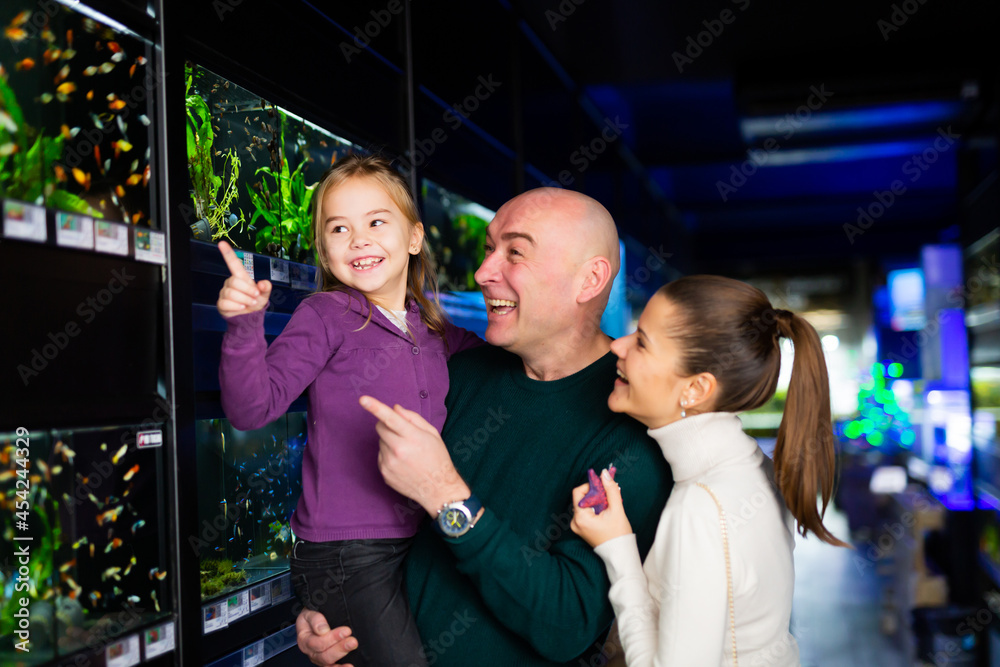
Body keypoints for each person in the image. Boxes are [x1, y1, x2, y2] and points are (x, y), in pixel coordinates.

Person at [295, 187, 673, 666]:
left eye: (514, 252)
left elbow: (566, 625)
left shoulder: (631, 427)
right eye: (488, 248)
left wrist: (447, 496)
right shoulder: (457, 373)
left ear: (590, 279)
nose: (482, 273)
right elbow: (366, 521)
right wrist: (330, 609)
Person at [216, 154, 481, 667]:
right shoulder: (325, 315)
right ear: (324, 248)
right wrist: (245, 325)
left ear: (414, 237)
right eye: (339, 228)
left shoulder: (435, 330)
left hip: (424, 540)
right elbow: (252, 408)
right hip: (348, 554)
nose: (358, 239)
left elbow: (506, 364)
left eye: (376, 222)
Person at [570, 275, 850, 666]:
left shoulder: (702, 507)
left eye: (642, 342)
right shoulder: (755, 467)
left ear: (697, 389)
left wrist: (617, 548)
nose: (618, 344)